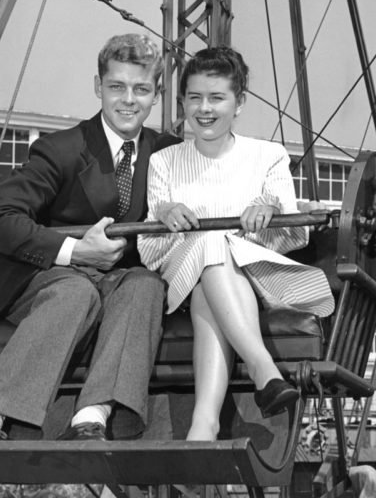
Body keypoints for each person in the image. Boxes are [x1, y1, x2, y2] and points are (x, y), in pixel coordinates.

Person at [0, 33, 180, 442]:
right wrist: (74, 251)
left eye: (141, 89)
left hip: (120, 288)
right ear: (98, 87)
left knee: (147, 285)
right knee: (77, 291)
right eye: (116, 87)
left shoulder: (169, 152)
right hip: (51, 282)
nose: (128, 100)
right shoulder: (62, 149)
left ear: (157, 93)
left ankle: (91, 417)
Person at [138, 47, 334, 441]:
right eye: (194, 98)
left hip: (257, 279)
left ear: (239, 102)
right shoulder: (164, 162)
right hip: (184, 275)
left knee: (211, 273)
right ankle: (265, 371)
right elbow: (147, 252)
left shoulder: (268, 156)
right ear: (182, 102)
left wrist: (268, 215)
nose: (204, 109)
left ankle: (203, 424)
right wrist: (164, 219)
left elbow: (297, 234)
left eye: (217, 98)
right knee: (211, 248)